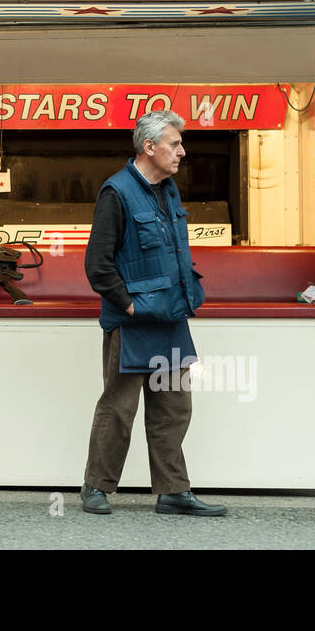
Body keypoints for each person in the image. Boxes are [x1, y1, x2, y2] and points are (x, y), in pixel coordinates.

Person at [79, 110, 226, 517]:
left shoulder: (169, 189)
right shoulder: (116, 192)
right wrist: (129, 305)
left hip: (170, 319)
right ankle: (96, 486)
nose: (182, 151)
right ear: (149, 147)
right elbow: (97, 265)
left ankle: (173, 491)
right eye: (174, 144)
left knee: (173, 409)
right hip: (132, 324)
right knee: (119, 408)